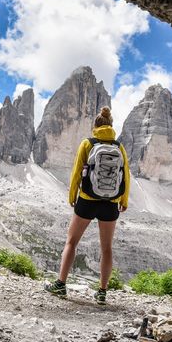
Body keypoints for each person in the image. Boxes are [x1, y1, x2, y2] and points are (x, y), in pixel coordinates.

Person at [44, 106, 130, 305]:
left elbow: (76, 173)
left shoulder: (87, 144)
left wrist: (73, 195)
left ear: (95, 126)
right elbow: (126, 175)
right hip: (110, 203)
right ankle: (102, 293)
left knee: (71, 242)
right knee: (107, 248)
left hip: (87, 199)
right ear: (111, 126)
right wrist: (123, 200)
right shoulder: (120, 147)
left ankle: (60, 285)